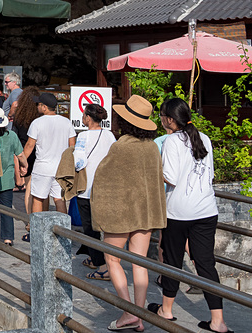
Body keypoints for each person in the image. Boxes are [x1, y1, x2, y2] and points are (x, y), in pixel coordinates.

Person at [152, 98, 231, 332]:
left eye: (161, 116)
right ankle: (218, 321)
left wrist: (154, 170)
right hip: (206, 210)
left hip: (178, 212)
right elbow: (210, 174)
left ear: (169, 119)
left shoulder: (171, 141)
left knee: (172, 261)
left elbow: (171, 178)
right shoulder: (203, 137)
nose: (161, 120)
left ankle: (166, 310)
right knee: (206, 264)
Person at [91, 95, 166, 332]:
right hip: (144, 213)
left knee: (113, 259)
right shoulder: (152, 147)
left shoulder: (120, 146)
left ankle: (128, 313)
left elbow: (103, 178)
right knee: (139, 263)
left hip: (121, 213)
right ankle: (139, 316)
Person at [74, 103, 116, 281]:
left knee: (90, 228)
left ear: (88, 118)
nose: (82, 118)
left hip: (87, 188)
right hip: (105, 187)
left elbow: (79, 162)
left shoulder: (83, 136)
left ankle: (102, 266)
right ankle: (95, 258)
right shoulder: (109, 135)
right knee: (104, 227)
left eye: (84, 115)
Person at [22, 92, 76, 217]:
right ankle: (63, 227)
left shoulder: (37, 123)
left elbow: (29, 145)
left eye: (38, 104)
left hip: (42, 167)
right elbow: (72, 146)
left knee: (38, 199)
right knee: (59, 199)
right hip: (60, 168)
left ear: (44, 107)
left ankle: (37, 227)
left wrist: (22, 162)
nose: (37, 106)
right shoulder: (66, 122)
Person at [0, 106, 25, 245]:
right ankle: (8, 237)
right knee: (6, 208)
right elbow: (20, 155)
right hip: (7, 178)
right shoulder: (11, 135)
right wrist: (25, 166)